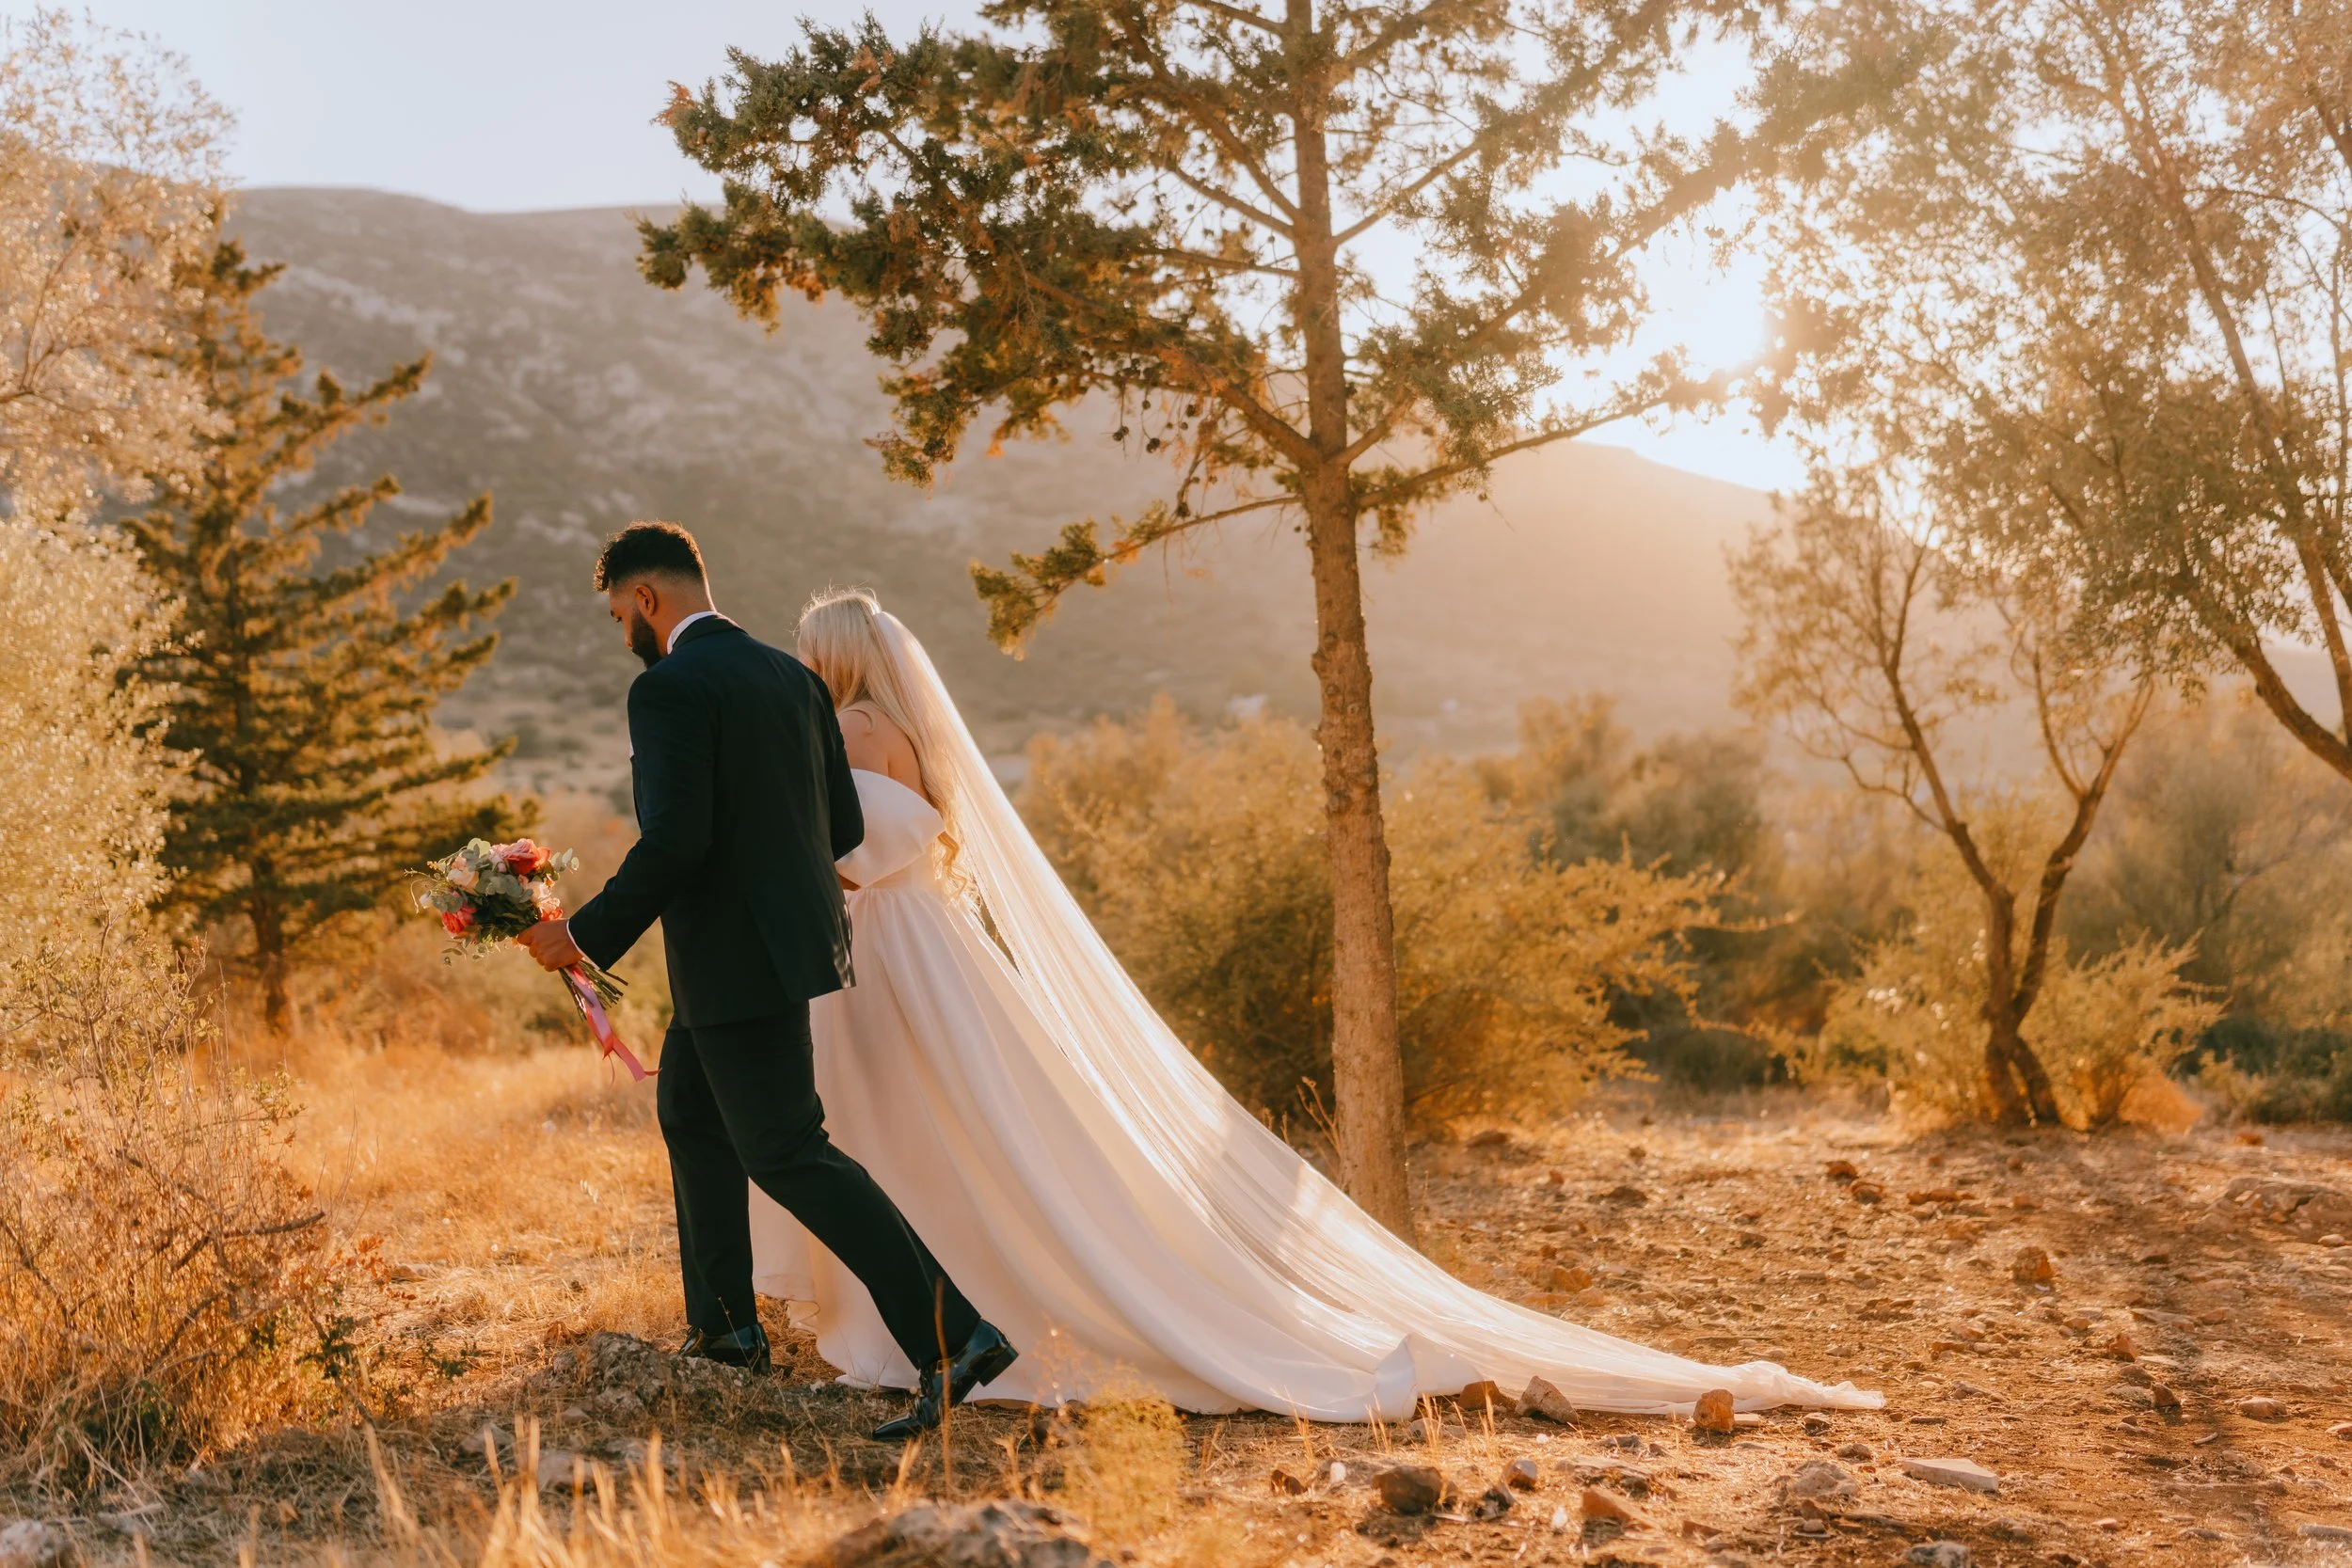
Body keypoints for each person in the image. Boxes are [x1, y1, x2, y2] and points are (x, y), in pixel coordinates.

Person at [744, 587, 1883, 1422]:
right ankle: (937, 1308)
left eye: (807, 653)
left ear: (834, 660)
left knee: (906, 1138)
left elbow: (846, 858)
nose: (798, 667)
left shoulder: (845, 730)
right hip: (926, 952)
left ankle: (929, 1322)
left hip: (889, 955)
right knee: (951, 1140)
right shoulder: (901, 732)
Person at [516, 523, 1014, 1441]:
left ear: (648, 600)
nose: (622, 628)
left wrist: (579, 934)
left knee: (788, 1151)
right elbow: (832, 827)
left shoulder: (667, 688)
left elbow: (676, 839)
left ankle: (957, 1336)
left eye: (621, 610)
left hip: (732, 961)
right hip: (769, 955)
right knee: (692, 1119)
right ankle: (727, 1332)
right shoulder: (793, 679)